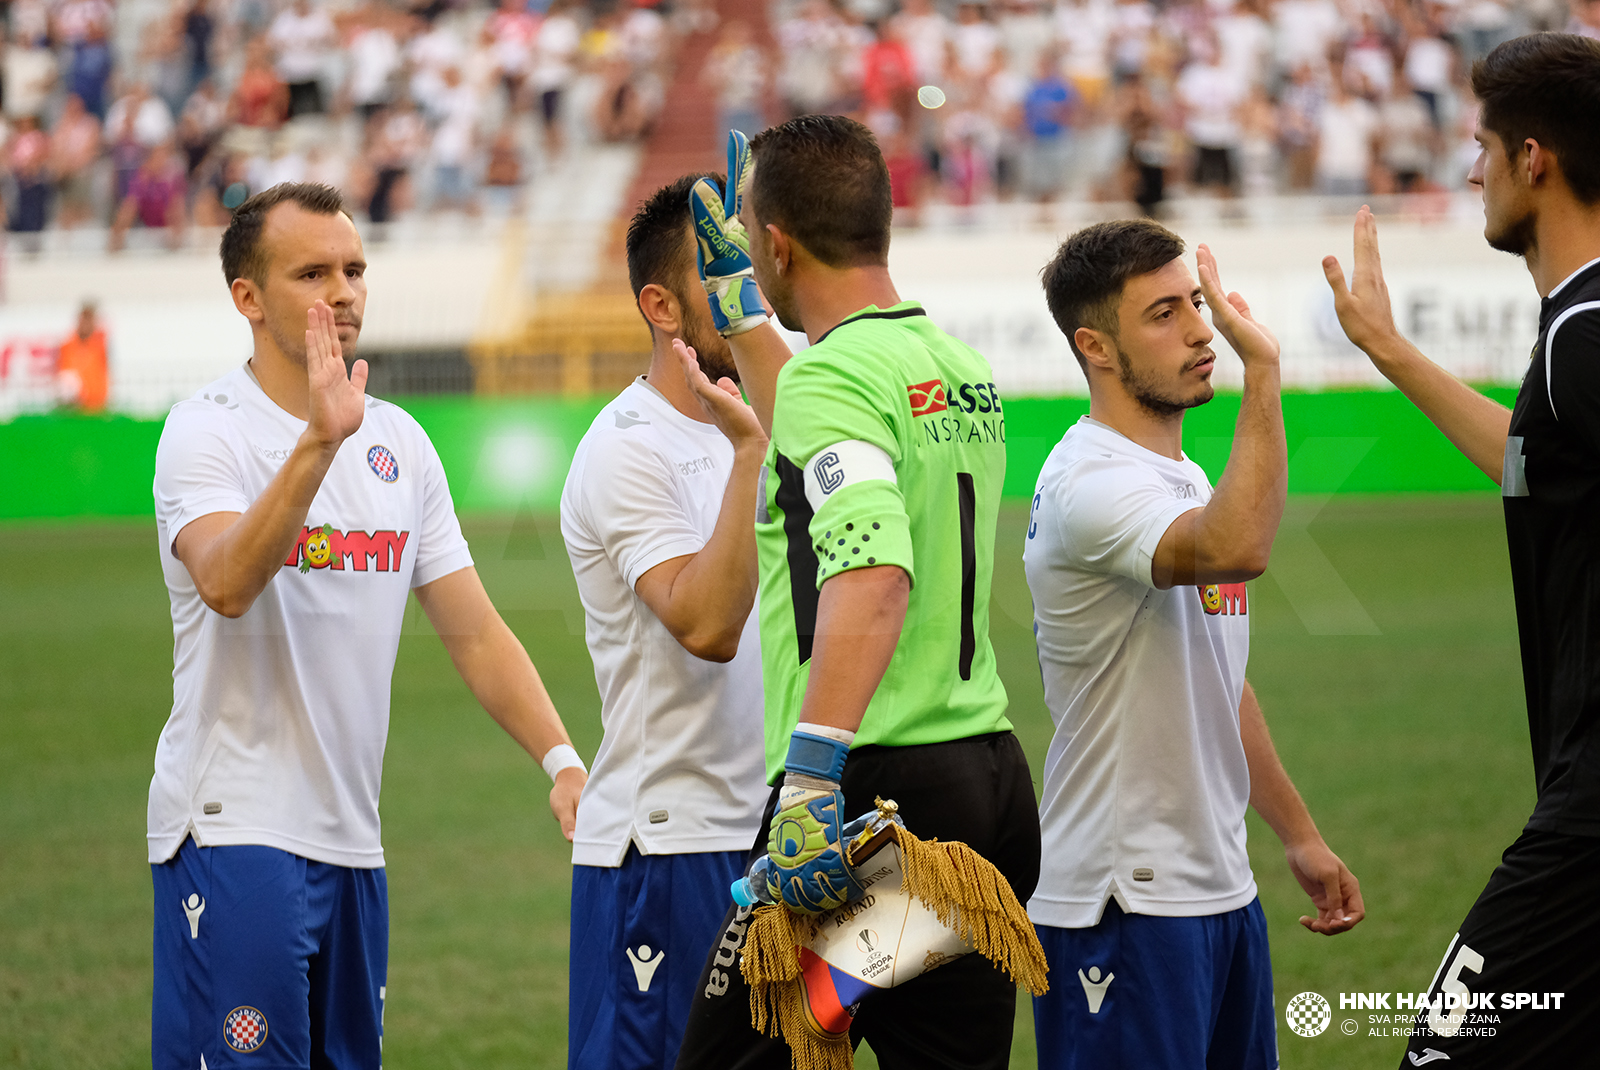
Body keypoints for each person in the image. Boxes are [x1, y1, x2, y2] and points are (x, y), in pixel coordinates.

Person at [146, 183, 586, 1070]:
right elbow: (227, 583)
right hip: (234, 829)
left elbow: (473, 628)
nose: (343, 291)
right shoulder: (205, 433)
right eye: (312, 272)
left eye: (353, 269)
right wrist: (317, 444)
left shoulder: (400, 443)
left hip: (352, 839)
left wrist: (564, 762)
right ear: (248, 297)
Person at [674, 115, 1039, 1070]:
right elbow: (822, 414)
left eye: (757, 239)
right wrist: (747, 314)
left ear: (780, 244)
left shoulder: (833, 379)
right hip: (986, 784)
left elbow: (873, 575)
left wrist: (809, 779)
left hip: (875, 798)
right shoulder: (953, 366)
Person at [1322, 33, 1600, 1067]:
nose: (1470, 170)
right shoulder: (1571, 329)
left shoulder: (1586, 334)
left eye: (1482, 146)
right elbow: (1533, 463)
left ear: (1535, 157)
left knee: (1447, 1050)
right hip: (1572, 777)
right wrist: (1389, 349)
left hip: (1587, 815)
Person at [1025, 218, 1363, 1069]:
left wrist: (1297, 833)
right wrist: (1268, 375)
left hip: (1218, 889)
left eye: (1198, 305)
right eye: (1165, 313)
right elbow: (1237, 548)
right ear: (1095, 346)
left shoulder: (1179, 477)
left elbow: (1221, 679)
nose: (1202, 330)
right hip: (1124, 900)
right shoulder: (1089, 480)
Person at [560, 173, 771, 1070]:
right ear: (662, 305)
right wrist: (755, 455)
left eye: (750, 266)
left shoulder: (772, 421)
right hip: (668, 847)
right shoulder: (628, 447)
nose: (744, 293)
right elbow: (708, 624)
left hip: (768, 838)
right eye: (719, 275)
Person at [57, 301, 109, 412]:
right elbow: (63, 374)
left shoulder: (99, 345)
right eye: (84, 318)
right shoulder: (67, 346)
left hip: (96, 406)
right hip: (72, 407)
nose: (86, 323)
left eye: (90, 319)